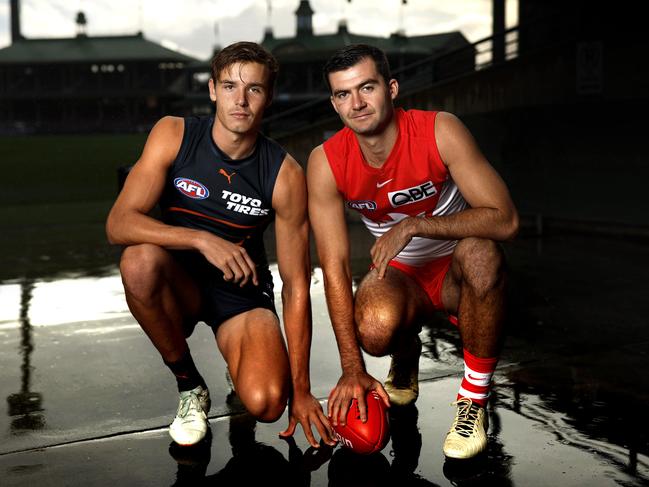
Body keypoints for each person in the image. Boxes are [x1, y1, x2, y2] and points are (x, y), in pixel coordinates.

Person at [106, 41, 335, 449]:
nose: (240, 100)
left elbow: (297, 284)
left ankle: (241, 357)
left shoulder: (284, 174)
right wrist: (200, 238)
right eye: (230, 86)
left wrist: (302, 388)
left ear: (269, 96)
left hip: (240, 292)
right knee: (137, 262)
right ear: (212, 89)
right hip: (179, 282)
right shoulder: (174, 135)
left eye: (254, 90)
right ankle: (190, 387)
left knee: (267, 403)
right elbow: (119, 223)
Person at [307, 44, 519, 460]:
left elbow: (506, 220)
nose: (357, 103)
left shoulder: (440, 130)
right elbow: (332, 268)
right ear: (334, 103)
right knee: (371, 324)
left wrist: (416, 223)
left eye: (367, 87)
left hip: (458, 269)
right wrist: (352, 368)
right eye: (344, 94)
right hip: (403, 276)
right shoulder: (326, 161)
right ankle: (405, 352)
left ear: (391, 88)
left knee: (481, 253)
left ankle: (472, 402)